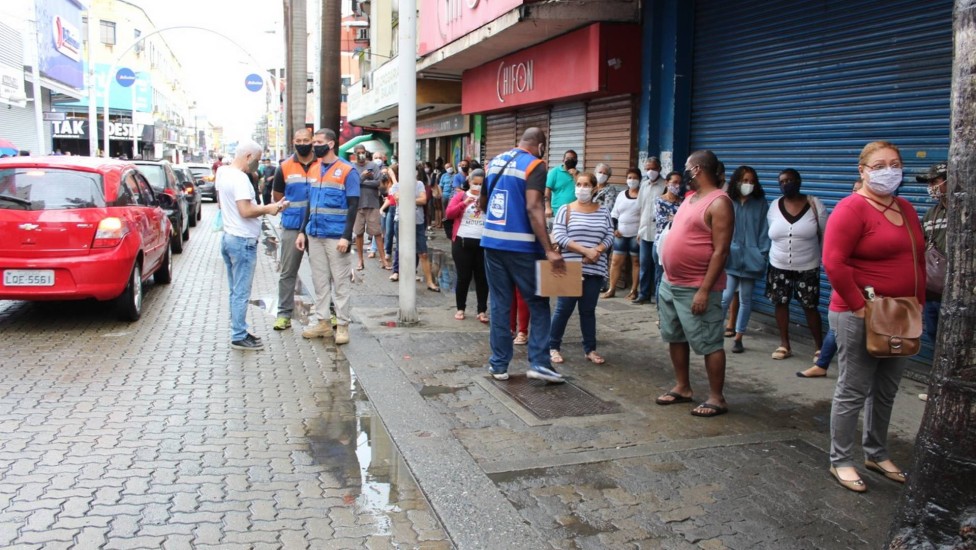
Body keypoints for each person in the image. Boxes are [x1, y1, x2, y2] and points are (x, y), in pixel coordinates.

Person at [823, 140, 924, 492]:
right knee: (853, 388)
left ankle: (876, 452)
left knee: (887, 389)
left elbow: (917, 259)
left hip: (901, 312)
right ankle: (841, 460)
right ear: (862, 170)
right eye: (879, 165)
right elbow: (834, 262)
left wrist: (919, 301)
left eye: (895, 164)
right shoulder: (851, 209)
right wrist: (858, 306)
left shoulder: (907, 208)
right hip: (860, 312)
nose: (889, 171)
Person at [481, 128, 566, 383]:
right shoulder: (535, 165)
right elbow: (533, 207)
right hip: (522, 248)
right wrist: (550, 249)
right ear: (540, 146)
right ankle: (539, 364)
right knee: (538, 303)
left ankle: (498, 366)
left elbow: (484, 203)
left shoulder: (495, 162)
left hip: (492, 244)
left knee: (499, 304)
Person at [655, 150, 734, 417]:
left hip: (697, 286)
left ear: (698, 169)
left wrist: (704, 290)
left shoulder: (720, 202)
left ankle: (716, 397)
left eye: (687, 167)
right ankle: (683, 387)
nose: (684, 172)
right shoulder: (690, 198)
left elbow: (721, 251)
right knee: (675, 336)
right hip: (670, 282)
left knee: (710, 342)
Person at [216, 140, 287, 350]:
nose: (257, 164)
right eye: (256, 160)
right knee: (241, 291)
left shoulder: (223, 173)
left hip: (230, 237)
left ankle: (239, 329)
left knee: (235, 290)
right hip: (241, 241)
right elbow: (245, 211)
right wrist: (269, 208)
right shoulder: (239, 178)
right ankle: (238, 335)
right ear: (248, 156)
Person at [297, 129, 360, 345]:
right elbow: (309, 203)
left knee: (340, 282)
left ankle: (342, 325)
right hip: (314, 234)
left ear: (331, 144)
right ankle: (323, 322)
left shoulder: (347, 171)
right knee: (320, 281)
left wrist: (346, 236)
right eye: (313, 142)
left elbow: (353, 206)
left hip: (336, 236)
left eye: (318, 142)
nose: (314, 146)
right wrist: (302, 231)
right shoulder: (315, 169)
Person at [798, 178, 862, 378]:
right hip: (847, 280)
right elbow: (833, 254)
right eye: (854, 189)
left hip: (868, 285)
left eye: (859, 190)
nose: (856, 193)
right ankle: (823, 363)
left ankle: (826, 363)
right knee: (838, 322)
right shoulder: (846, 214)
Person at [548, 172, 614, 365]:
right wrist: (586, 250)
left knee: (588, 310)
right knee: (563, 309)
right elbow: (559, 235)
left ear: (594, 188)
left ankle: (590, 349)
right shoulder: (565, 209)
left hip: (595, 269)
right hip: (569, 268)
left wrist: (598, 250)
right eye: (579, 184)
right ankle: (553, 347)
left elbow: (609, 234)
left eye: (586, 185)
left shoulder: (603, 211)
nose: (582, 188)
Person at [766, 168, 827, 360]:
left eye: (790, 180)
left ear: (799, 181)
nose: (787, 184)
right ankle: (785, 344)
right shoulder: (775, 206)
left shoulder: (814, 204)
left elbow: (826, 234)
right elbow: (772, 231)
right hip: (778, 264)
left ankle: (819, 347)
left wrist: (825, 260)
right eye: (782, 181)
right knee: (780, 303)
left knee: (810, 305)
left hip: (807, 266)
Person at [271, 129, 319, 331]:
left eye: (305, 140)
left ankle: (329, 312)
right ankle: (283, 315)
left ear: (312, 141)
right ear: (293, 141)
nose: (302, 143)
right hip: (292, 226)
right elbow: (277, 196)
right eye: (298, 140)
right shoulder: (284, 167)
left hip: (317, 226)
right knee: (288, 271)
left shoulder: (321, 163)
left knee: (322, 273)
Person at [720, 166, 770, 354]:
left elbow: (765, 231)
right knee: (725, 297)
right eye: (745, 180)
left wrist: (761, 254)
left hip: (752, 258)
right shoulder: (728, 201)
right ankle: (716, 332)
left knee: (746, 299)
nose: (748, 184)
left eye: (751, 181)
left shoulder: (760, 203)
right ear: (737, 182)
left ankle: (739, 337)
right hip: (731, 257)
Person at [387, 163, 440, 291]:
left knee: (423, 253)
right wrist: (413, 198)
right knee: (403, 251)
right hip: (401, 221)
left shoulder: (419, 184)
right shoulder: (396, 186)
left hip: (418, 222)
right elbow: (399, 198)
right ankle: (403, 278)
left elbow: (423, 200)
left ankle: (429, 282)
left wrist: (408, 198)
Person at [445, 168, 488, 323]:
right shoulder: (460, 196)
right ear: (469, 182)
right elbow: (449, 213)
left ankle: (482, 310)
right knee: (463, 277)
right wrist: (464, 203)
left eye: (480, 184)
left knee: (482, 278)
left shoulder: (487, 198)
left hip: (483, 243)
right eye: (474, 183)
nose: (477, 187)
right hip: (462, 242)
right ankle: (460, 308)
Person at [918, 163, 947, 348]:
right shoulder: (931, 214)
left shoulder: (967, 210)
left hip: (958, 292)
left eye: (935, 181)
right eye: (929, 183)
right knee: (933, 333)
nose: (931, 187)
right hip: (932, 290)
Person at [603, 171, 641, 299]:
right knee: (615, 262)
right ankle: (611, 289)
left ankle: (633, 290)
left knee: (636, 262)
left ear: (640, 180)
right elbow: (614, 213)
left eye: (635, 178)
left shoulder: (642, 196)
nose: (632, 180)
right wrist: (614, 228)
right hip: (620, 234)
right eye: (629, 177)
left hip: (636, 235)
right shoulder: (621, 195)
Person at [352, 145, 389, 271]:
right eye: (359, 153)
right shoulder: (352, 167)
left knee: (377, 233)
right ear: (355, 154)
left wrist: (361, 182)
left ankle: (384, 260)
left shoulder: (372, 165)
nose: (361, 155)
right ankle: (360, 261)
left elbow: (378, 183)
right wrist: (363, 177)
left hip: (373, 204)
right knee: (358, 233)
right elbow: (351, 183)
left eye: (363, 153)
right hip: (357, 205)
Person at [635, 159, 666, 304]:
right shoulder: (644, 185)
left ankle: (658, 296)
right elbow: (641, 208)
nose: (650, 171)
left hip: (659, 234)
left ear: (659, 168)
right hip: (645, 231)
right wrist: (639, 231)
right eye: (647, 168)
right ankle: (644, 294)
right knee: (644, 264)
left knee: (658, 267)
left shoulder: (665, 185)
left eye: (653, 168)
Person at [652, 172, 683, 304]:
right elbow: (661, 221)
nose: (677, 185)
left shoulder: (683, 202)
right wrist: (677, 219)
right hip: (661, 245)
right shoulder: (659, 200)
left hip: (678, 245)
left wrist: (673, 218)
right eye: (674, 182)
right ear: (667, 183)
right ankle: (661, 314)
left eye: (679, 183)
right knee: (661, 279)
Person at [544, 150, 578, 223]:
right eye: (568, 158)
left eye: (573, 158)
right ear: (563, 160)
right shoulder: (555, 172)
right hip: (557, 212)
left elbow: (581, 189)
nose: (571, 160)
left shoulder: (579, 175)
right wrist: (547, 208)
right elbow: (547, 190)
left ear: (576, 161)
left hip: (575, 214)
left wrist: (575, 175)